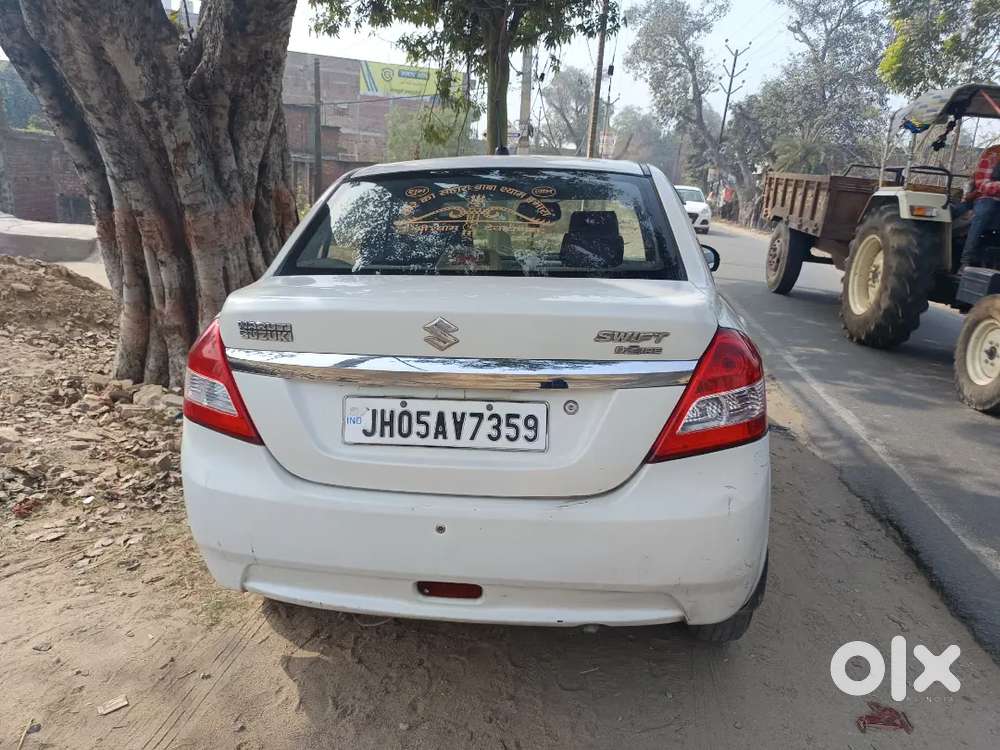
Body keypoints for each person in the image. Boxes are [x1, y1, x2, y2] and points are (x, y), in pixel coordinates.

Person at [959, 143, 1000, 270]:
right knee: (984, 212)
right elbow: (982, 185)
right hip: (988, 197)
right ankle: (966, 260)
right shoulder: (993, 153)